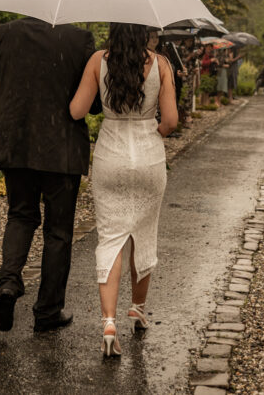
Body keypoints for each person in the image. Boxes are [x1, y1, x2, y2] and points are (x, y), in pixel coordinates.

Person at [0, 17, 99, 334]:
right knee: (58, 232)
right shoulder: (79, 40)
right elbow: (95, 104)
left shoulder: (1, 35)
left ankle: (8, 283)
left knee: (20, 215)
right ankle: (47, 311)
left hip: (15, 143)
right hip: (61, 150)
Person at [69, 23, 178, 357]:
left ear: (113, 31)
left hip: (110, 156)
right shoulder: (160, 64)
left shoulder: (98, 61)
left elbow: (76, 110)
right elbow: (171, 121)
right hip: (147, 157)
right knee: (143, 233)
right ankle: (138, 308)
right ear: (144, 32)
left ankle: (109, 322)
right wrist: (151, 132)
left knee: (111, 237)